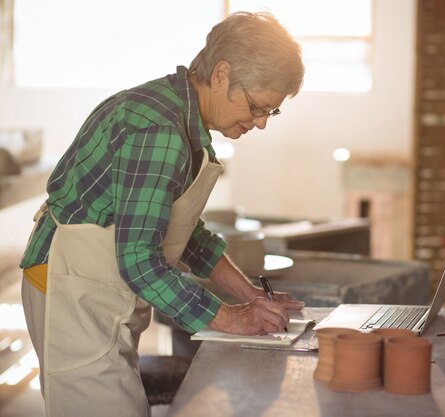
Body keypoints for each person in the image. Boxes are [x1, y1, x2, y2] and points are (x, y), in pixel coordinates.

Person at [19, 11, 305, 417]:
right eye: (257, 106)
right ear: (221, 74)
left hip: (101, 284)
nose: (260, 123)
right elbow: (138, 259)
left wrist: (251, 295)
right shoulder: (158, 129)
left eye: (270, 113)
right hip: (71, 287)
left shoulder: (185, 121)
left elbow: (185, 232)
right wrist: (228, 317)